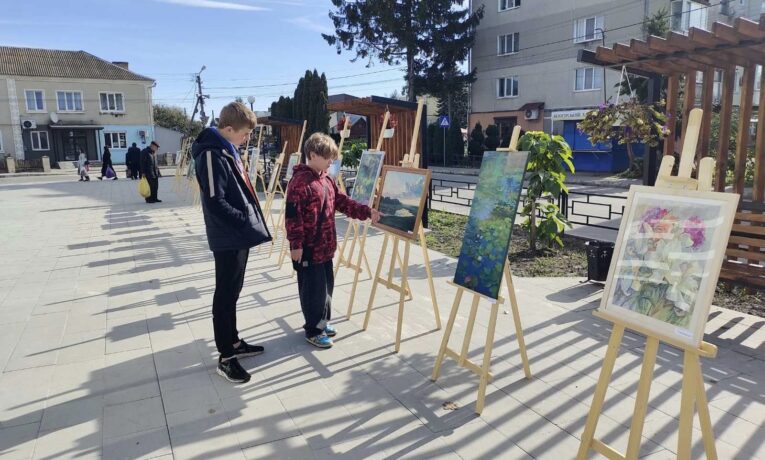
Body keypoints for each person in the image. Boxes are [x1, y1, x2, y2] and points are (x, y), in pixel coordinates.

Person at [192, 102, 271, 383]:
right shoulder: (213, 155)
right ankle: (226, 356)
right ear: (227, 129)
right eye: (245, 134)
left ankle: (234, 342)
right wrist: (242, 219)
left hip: (236, 235)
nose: (247, 139)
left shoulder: (226, 150)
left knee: (233, 292)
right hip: (228, 236)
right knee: (225, 295)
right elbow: (215, 201)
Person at [286, 133, 380, 349]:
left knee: (327, 287)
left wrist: (367, 211)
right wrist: (296, 244)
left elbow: (342, 202)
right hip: (309, 248)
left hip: (326, 246)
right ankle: (313, 330)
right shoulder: (299, 182)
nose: (331, 162)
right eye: (327, 157)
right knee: (313, 290)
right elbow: (293, 215)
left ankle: (322, 321)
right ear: (312, 155)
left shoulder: (326, 179)